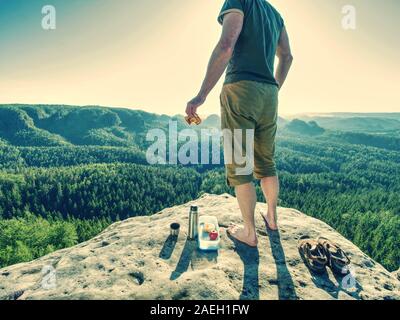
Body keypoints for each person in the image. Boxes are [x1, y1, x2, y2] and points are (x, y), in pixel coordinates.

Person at [186, 0, 293, 247]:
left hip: (240, 88)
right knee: (266, 160)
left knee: (240, 162)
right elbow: (286, 56)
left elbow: (226, 46)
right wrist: (273, 88)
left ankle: (249, 233)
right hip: (269, 93)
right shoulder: (275, 15)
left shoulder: (239, 1)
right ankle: (272, 217)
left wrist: (201, 94)